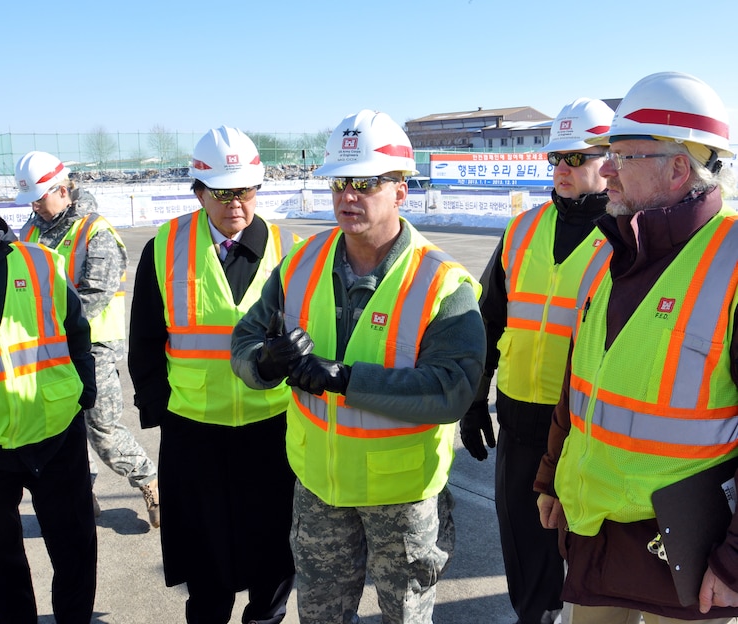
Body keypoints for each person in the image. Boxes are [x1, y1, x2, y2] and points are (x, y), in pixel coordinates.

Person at [231, 109, 486, 624]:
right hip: (320, 489)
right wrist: (265, 362)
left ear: (401, 190)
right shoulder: (302, 261)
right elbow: (244, 340)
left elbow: (452, 391)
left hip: (403, 499)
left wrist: (345, 380)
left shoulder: (443, 283)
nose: (349, 195)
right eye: (341, 181)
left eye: (366, 181)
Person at [534, 71, 738, 622]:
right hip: (598, 536)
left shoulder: (733, 261)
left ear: (678, 167)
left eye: (623, 155)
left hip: (691, 561)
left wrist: (735, 562)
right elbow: (578, 385)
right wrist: (552, 473)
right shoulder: (612, 250)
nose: (604, 169)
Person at [127, 126, 299, 624]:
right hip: (194, 430)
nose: (236, 204)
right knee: (205, 563)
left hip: (273, 428)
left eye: (245, 190)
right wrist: (156, 407)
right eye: (222, 192)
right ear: (198, 191)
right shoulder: (165, 245)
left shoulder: (291, 247)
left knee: (272, 554)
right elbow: (144, 338)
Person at [461, 97, 614, 624]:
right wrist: (475, 398)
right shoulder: (523, 229)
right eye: (556, 158)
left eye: (576, 157)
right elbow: (488, 318)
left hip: (585, 424)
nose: (562, 169)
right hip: (519, 413)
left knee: (587, 546)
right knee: (522, 542)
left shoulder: (626, 237)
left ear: (608, 158)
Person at [0, 157, 97, 622]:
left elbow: (77, 331)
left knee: (75, 550)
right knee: (0, 565)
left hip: (54, 432)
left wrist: (84, 390)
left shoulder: (40, 263)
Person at [14, 151, 160, 528]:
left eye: (40, 196)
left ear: (63, 189)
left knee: (103, 429)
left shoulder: (95, 231)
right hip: (46, 350)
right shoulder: (30, 231)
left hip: (92, 348)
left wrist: (46, 326)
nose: (34, 205)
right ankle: (84, 492)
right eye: (30, 198)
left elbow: (93, 296)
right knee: (63, 428)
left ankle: (150, 482)